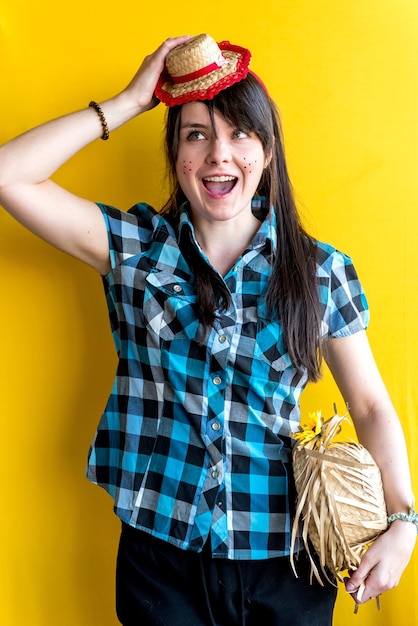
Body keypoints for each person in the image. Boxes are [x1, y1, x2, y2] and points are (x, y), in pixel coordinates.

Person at [0, 33, 416, 626]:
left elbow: (370, 405)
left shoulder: (321, 270)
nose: (220, 154)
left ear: (267, 152)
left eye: (240, 133)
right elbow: (8, 175)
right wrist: (127, 104)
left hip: (289, 561)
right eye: (198, 134)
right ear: (177, 157)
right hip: (161, 556)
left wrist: (404, 522)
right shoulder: (136, 248)